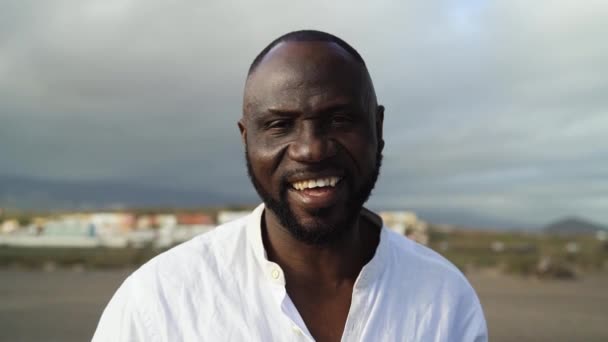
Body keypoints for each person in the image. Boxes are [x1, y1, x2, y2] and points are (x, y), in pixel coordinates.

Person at [93, 30, 487, 342]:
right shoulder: (158, 301)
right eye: (280, 125)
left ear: (377, 129)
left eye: (339, 120)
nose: (311, 150)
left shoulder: (444, 298)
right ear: (246, 139)